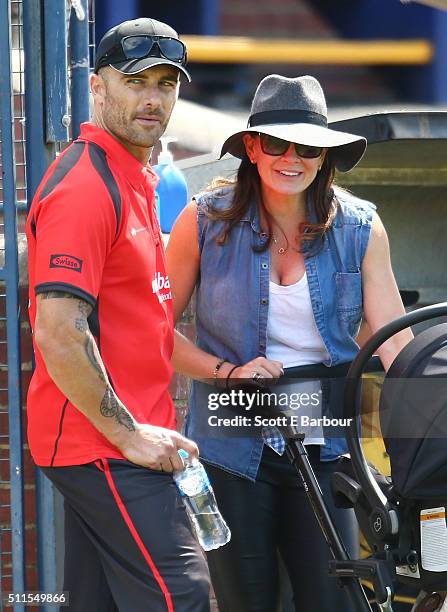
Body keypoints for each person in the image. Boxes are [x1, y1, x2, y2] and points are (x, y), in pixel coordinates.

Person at [166, 74, 414, 611]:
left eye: (307, 146)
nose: (291, 158)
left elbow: (395, 342)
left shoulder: (360, 228)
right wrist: (226, 372)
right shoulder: (203, 222)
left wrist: (431, 416)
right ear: (252, 147)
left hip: (326, 441)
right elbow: (155, 334)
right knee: (245, 599)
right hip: (230, 439)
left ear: (324, 156)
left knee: (336, 596)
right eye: (277, 143)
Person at [25, 17, 210, 612]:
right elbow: (58, 331)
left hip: (119, 440)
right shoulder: (86, 185)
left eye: (166, 83)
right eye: (136, 83)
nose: (153, 99)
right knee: (182, 595)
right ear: (98, 88)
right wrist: (129, 435)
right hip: (103, 445)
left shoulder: (139, 175)